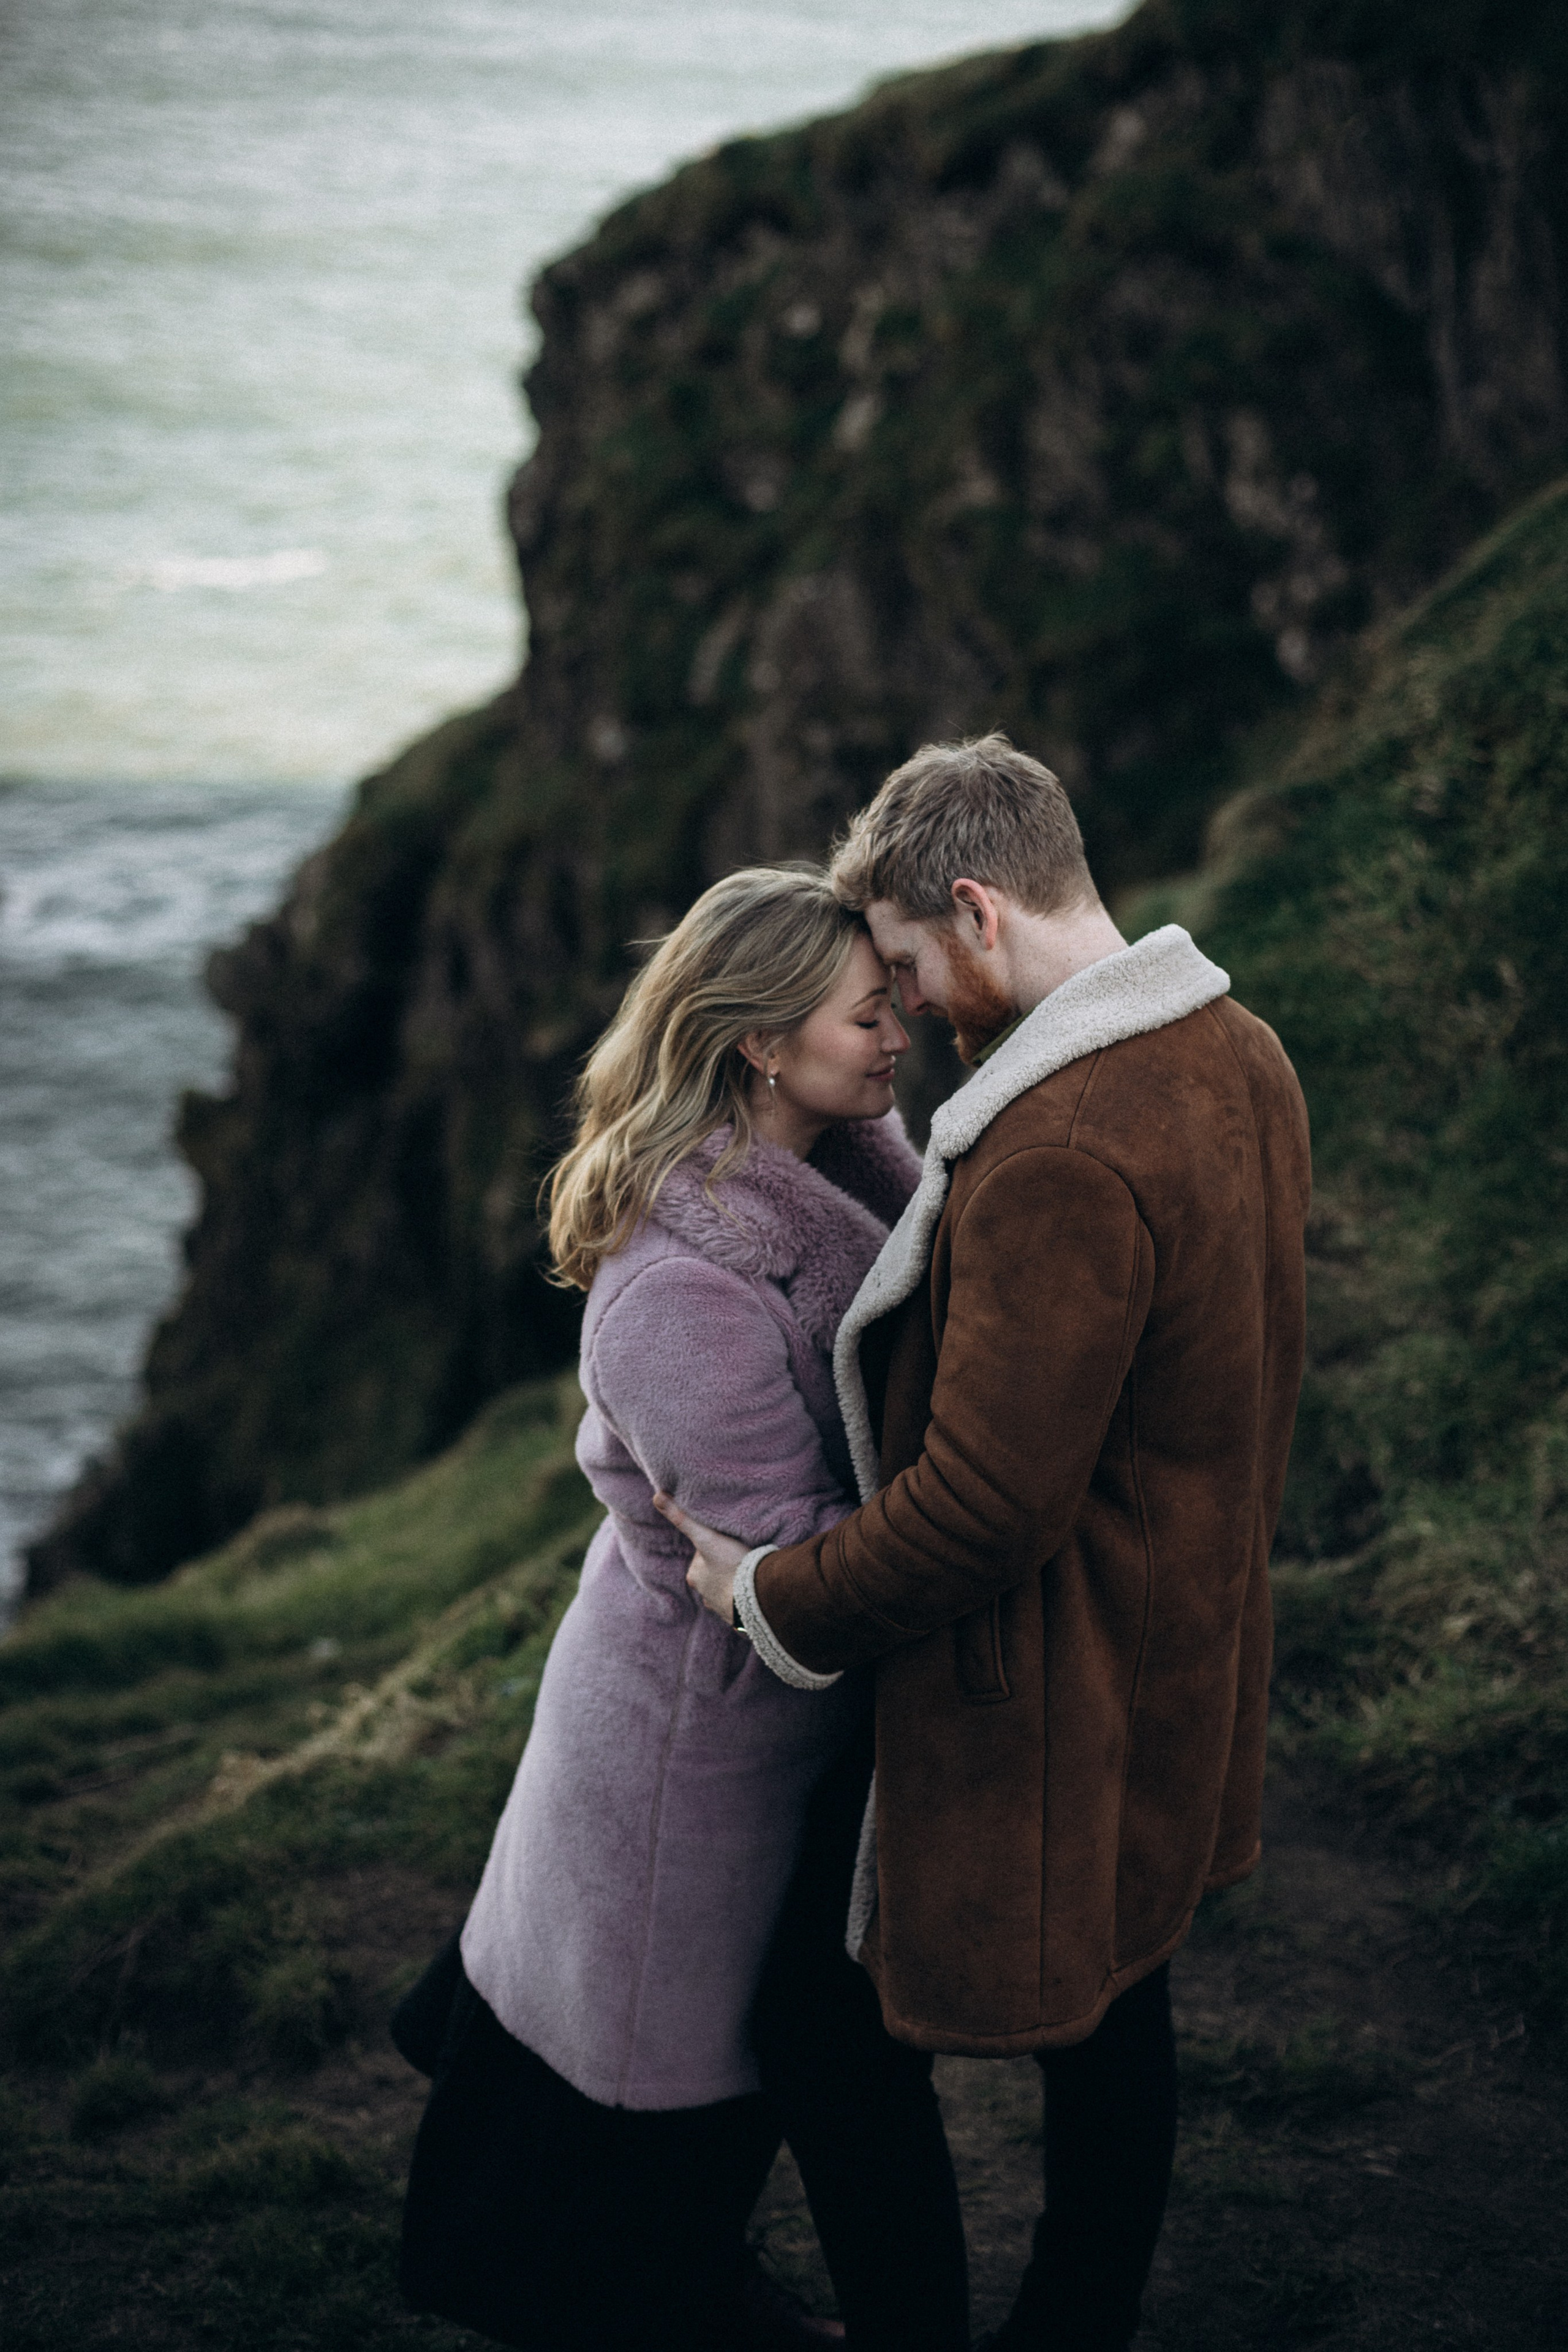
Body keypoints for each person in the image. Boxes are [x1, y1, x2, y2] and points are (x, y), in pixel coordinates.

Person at [658, 736, 1313, 2352]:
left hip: (1042, 1685)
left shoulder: (1064, 1146)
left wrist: (766, 1593)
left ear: (974, 906)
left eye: (903, 966)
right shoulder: (1244, 1055)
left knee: (822, 2025)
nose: (913, 1013)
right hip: (1183, 1636)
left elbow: (978, 1512)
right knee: (1122, 1997)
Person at [396, 865, 970, 2352]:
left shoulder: (851, 1162)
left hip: (775, 1724)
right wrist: (982, 1547)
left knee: (750, 2073)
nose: (897, 1026)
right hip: (691, 1747)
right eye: (864, 1011)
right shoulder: (678, 1292)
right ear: (759, 1045)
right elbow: (787, 1557)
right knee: (660, 2082)